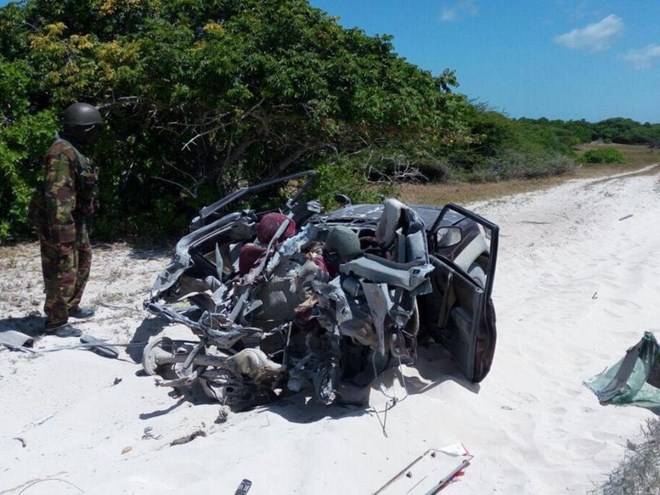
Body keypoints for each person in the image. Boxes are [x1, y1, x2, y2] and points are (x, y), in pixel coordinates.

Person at [29, 102, 104, 337]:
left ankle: (70, 305)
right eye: (93, 129)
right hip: (59, 222)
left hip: (74, 218)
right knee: (61, 268)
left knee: (83, 260)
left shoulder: (76, 150)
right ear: (83, 129)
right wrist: (62, 233)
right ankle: (56, 320)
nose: (95, 134)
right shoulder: (61, 153)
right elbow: (57, 196)